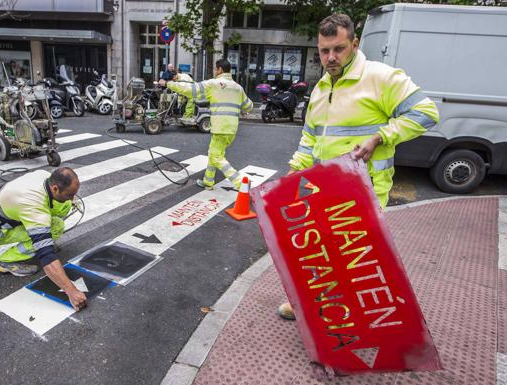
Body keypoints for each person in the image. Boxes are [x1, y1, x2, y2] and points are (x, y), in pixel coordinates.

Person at [278, 14, 439, 320]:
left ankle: (348, 322)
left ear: (354, 44)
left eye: (338, 49)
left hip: (364, 189)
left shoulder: (381, 77)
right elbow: (310, 137)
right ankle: (314, 304)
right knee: (320, 252)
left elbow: (426, 113)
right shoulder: (322, 87)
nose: (331, 57)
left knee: (352, 258)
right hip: (324, 188)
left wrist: (381, 136)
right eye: (324, 51)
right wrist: (292, 173)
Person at [0, 167, 87, 311]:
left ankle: (40, 234)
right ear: (55, 188)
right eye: (70, 194)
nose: (73, 198)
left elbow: (60, 201)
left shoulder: (45, 176)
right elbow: (46, 256)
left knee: (64, 205)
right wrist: (71, 290)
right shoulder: (33, 205)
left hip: (11, 211)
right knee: (55, 228)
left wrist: (66, 199)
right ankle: (6, 261)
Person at [159, 59, 253, 190]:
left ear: (219, 69)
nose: (215, 72)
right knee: (215, 153)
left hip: (220, 127)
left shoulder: (213, 84)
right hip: (232, 128)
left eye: (215, 69)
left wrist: (168, 83)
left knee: (216, 156)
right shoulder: (238, 87)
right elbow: (249, 106)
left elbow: (190, 90)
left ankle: (241, 183)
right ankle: (208, 181)